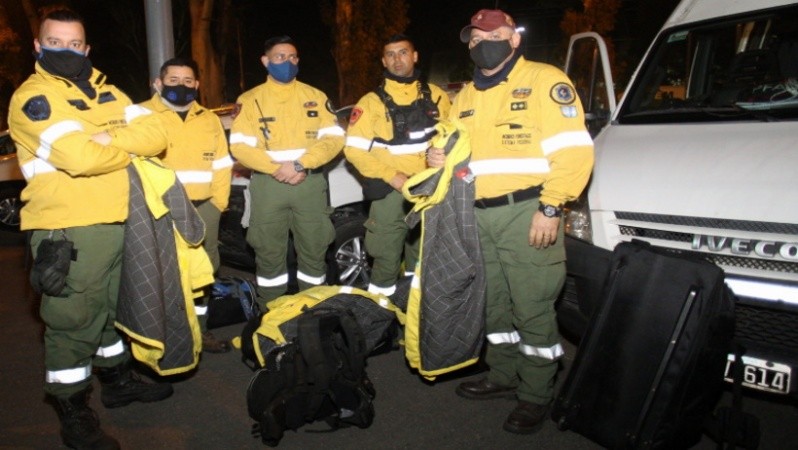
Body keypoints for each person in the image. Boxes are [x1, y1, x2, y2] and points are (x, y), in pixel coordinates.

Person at [8, 9, 174, 450]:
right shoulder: (34, 98)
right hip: (69, 227)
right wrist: (126, 144)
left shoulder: (108, 91)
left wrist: (106, 139)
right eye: (55, 42)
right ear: (38, 46)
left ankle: (117, 382)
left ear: (86, 48)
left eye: (74, 44)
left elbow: (158, 134)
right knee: (72, 322)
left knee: (111, 312)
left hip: (121, 220)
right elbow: (80, 159)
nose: (66, 50)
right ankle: (72, 407)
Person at [427, 9, 594, 434]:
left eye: (494, 36)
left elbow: (574, 152)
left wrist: (551, 207)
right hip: (477, 215)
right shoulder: (465, 96)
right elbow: (449, 144)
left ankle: (536, 393)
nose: (483, 44)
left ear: (514, 39)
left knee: (532, 305)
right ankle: (503, 375)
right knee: (494, 303)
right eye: (475, 39)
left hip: (527, 211)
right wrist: (435, 155)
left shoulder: (544, 81)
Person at [229, 35, 344, 310]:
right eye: (280, 57)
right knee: (268, 253)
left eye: (292, 57)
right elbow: (240, 147)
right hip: (269, 186)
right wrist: (277, 168)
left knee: (315, 249)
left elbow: (334, 138)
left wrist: (300, 164)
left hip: (309, 184)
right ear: (265, 61)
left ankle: (313, 311)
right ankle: (273, 314)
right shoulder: (250, 100)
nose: (288, 62)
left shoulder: (315, 96)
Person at [343, 34, 451, 296]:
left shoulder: (438, 97)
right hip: (391, 193)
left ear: (415, 56)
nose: (397, 59)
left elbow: (453, 140)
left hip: (430, 191)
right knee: (384, 259)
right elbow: (353, 151)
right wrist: (392, 176)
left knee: (424, 259)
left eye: (403, 52)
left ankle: (415, 310)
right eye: (390, 54)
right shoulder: (370, 103)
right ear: (384, 61)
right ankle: (381, 314)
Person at [140, 57, 233, 353]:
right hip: (159, 210)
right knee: (162, 274)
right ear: (158, 83)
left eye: (188, 81)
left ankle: (200, 332)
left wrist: (217, 205)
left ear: (197, 84)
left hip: (203, 208)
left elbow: (222, 164)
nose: (181, 86)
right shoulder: (140, 115)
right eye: (173, 80)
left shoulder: (209, 119)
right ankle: (163, 336)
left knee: (204, 273)